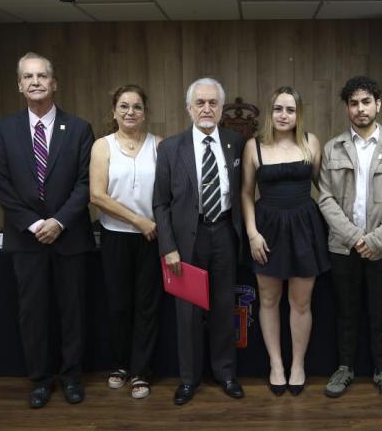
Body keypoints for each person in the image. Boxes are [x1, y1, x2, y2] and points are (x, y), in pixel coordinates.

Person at [0, 52, 94, 408]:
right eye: (28, 76)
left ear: (54, 83)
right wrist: (34, 224)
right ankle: (40, 379)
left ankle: (71, 377)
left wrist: (59, 221)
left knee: (73, 311)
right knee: (33, 313)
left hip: (70, 236)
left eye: (42, 75)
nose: (35, 82)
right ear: (19, 85)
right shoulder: (4, 130)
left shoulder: (79, 128)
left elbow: (84, 183)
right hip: (26, 238)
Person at [319, 76, 382, 403]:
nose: (360, 109)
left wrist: (377, 240)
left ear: (378, 104)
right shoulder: (333, 148)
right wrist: (356, 237)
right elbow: (325, 199)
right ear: (347, 107)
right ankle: (344, 368)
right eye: (354, 103)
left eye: (366, 102)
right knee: (345, 312)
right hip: (344, 247)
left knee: (381, 313)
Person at [153, 77, 246, 405]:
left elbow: (244, 193)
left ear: (221, 108)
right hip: (185, 241)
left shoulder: (237, 142)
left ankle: (225, 373)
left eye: (213, 103)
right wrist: (168, 247)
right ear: (189, 108)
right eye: (200, 103)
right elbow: (160, 203)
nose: (207, 109)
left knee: (223, 307)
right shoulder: (170, 148)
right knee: (188, 313)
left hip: (223, 234)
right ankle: (189, 379)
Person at [241, 86, 330, 397]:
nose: (283, 115)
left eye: (290, 110)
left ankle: (298, 365)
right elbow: (246, 194)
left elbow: (325, 187)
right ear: (271, 112)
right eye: (278, 109)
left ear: (298, 114)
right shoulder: (254, 146)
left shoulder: (311, 142)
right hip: (267, 229)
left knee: (301, 302)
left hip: (305, 227)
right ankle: (276, 364)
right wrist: (252, 233)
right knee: (267, 300)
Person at [89, 85, 162, 399]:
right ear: (114, 112)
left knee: (147, 307)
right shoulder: (102, 146)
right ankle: (121, 365)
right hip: (117, 236)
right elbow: (97, 196)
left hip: (153, 238)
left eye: (136, 107)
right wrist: (138, 220)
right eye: (124, 106)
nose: (130, 112)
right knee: (120, 305)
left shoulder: (160, 145)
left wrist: (153, 224)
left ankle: (141, 372)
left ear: (145, 112)